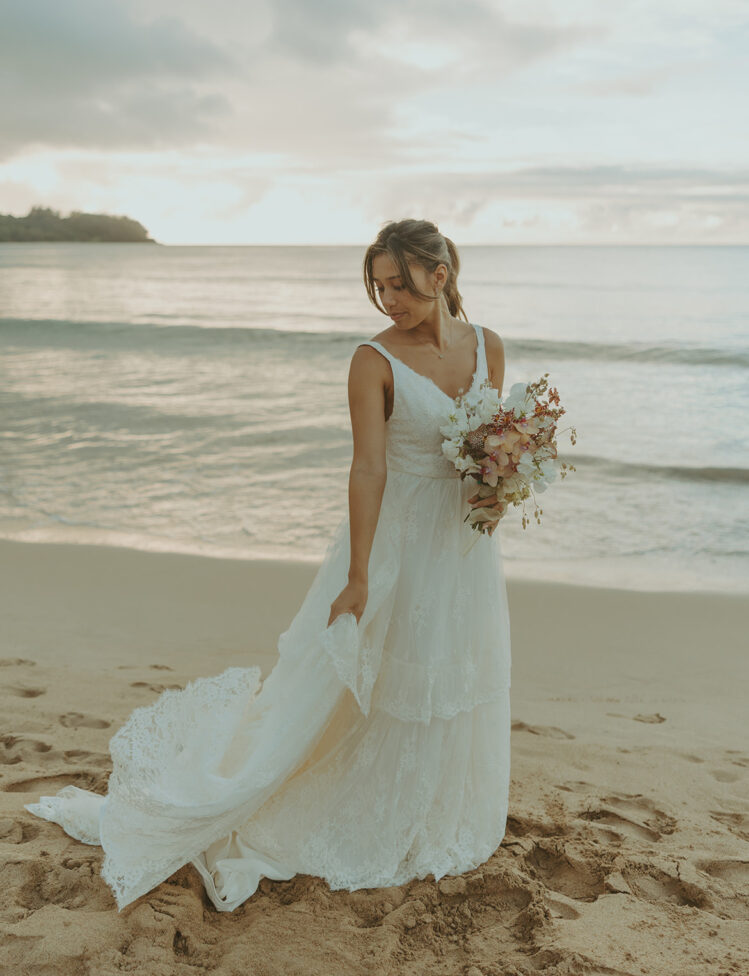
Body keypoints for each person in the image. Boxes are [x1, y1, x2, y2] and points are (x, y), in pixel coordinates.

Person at [24, 218, 513, 913]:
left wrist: (497, 491)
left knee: (447, 667)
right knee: (364, 676)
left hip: (460, 546)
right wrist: (359, 575)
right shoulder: (372, 360)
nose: (388, 300)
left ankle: (429, 810)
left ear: (441, 275)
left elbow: (487, 444)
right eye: (378, 287)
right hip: (393, 538)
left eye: (400, 285)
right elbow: (369, 467)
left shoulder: (487, 346)